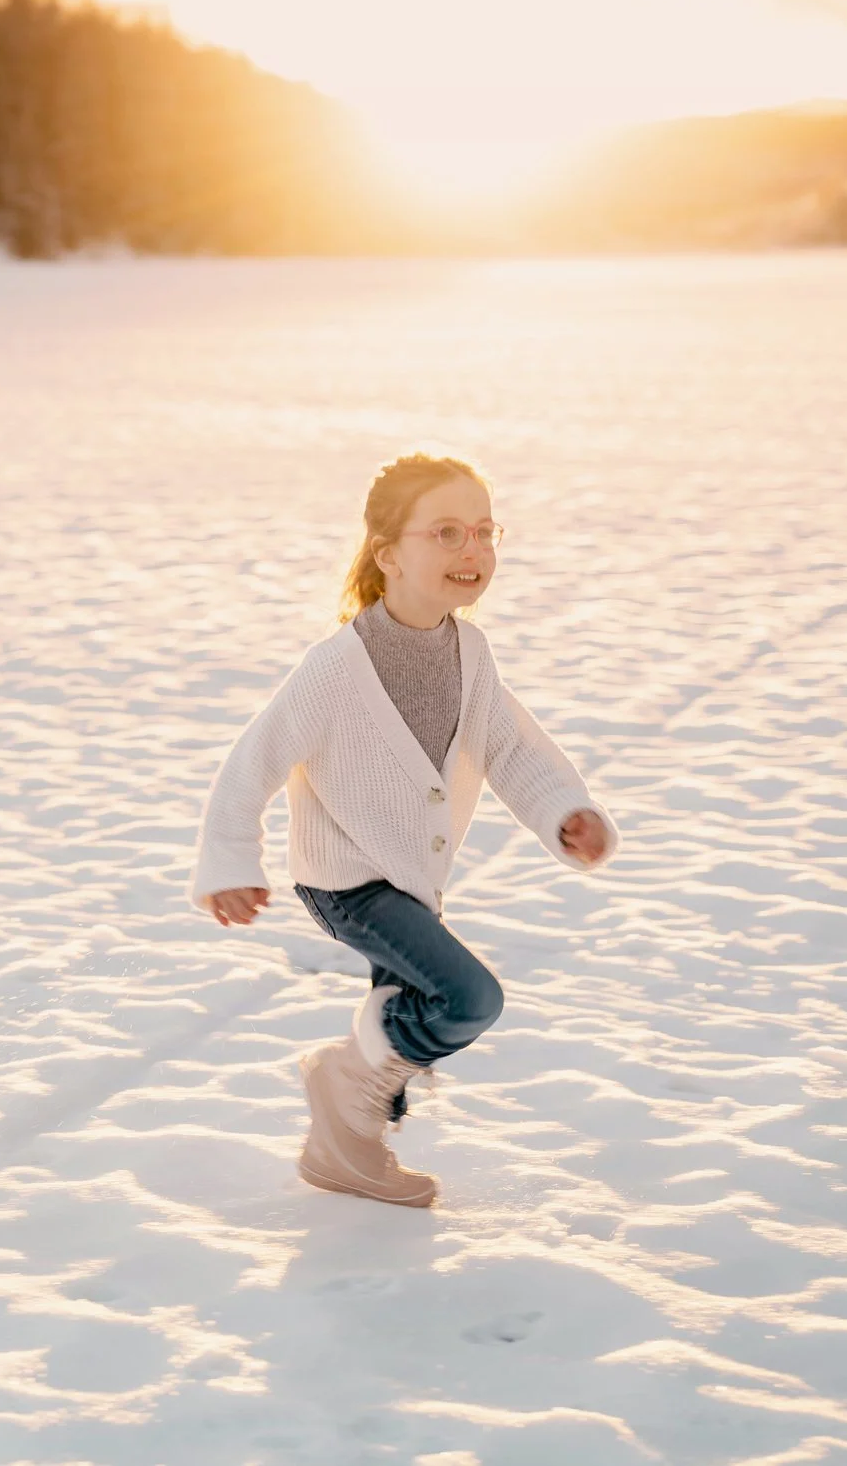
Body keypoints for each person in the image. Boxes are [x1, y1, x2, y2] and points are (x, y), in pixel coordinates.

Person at [191, 453, 616, 1207]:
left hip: (411, 880)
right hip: (348, 881)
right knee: (465, 1000)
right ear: (388, 553)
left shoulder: (471, 654)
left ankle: (345, 1149)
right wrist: (228, 858)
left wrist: (564, 811)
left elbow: (513, 746)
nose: (473, 550)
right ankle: (340, 1081)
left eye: (485, 531)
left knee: (396, 1040)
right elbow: (253, 759)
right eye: (447, 531)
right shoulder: (337, 667)